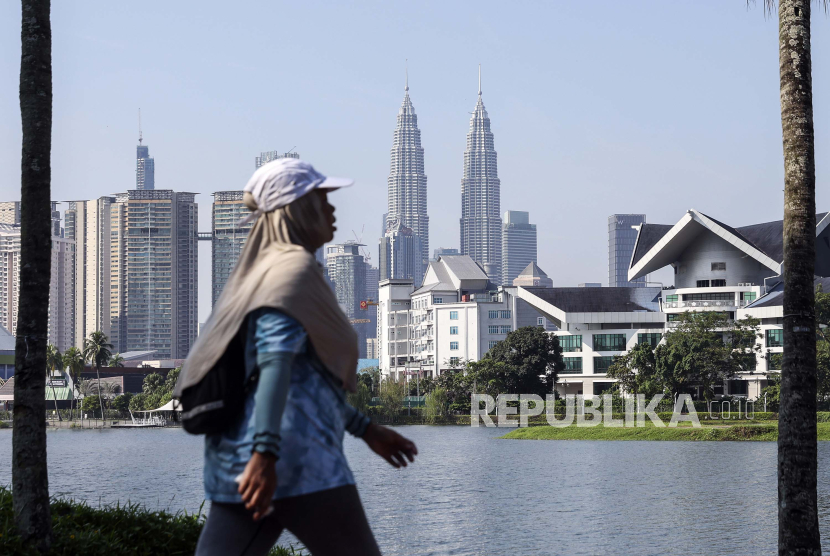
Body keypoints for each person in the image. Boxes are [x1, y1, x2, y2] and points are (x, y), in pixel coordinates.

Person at [176, 159, 417, 556]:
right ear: (298, 210)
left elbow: (307, 383)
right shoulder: (292, 270)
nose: (333, 210)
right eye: (323, 200)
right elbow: (275, 364)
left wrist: (365, 429)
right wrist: (267, 453)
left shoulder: (261, 274)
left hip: (238, 466)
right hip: (300, 462)